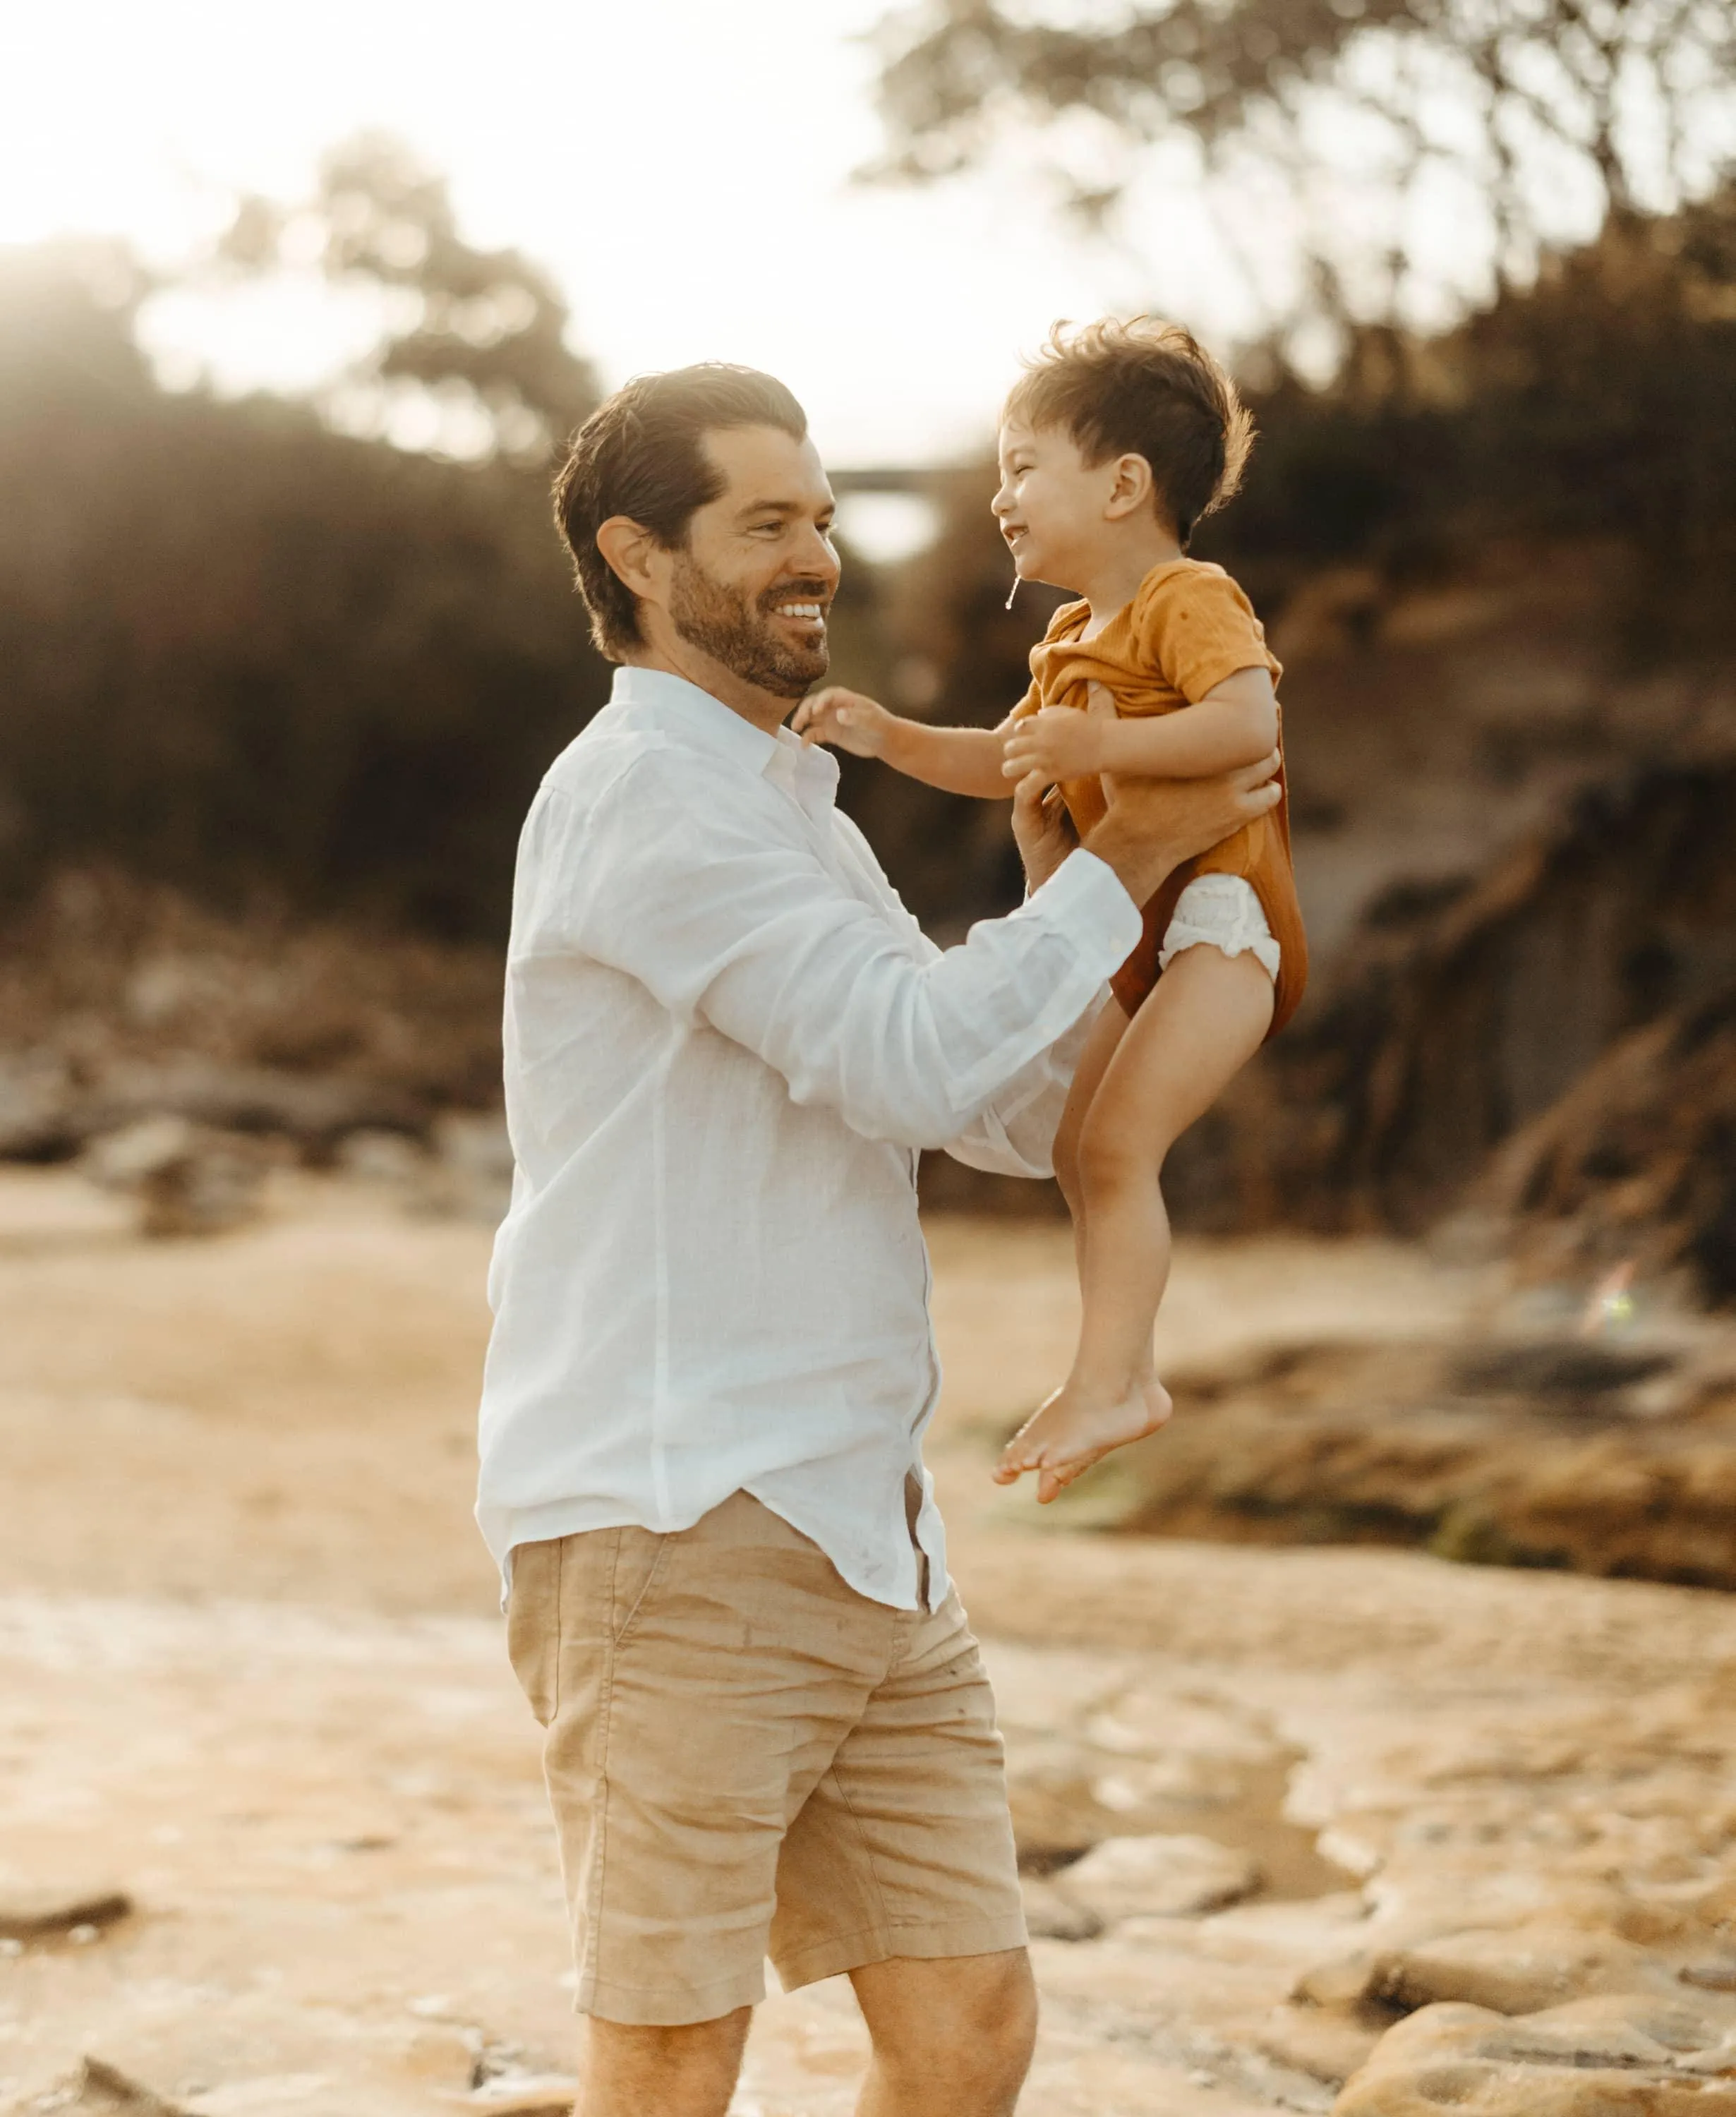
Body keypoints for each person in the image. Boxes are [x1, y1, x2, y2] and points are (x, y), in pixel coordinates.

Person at [476, 360, 1282, 2117]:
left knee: (969, 2036)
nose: (817, 557)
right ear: (634, 553)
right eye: (765, 523)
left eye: (824, 518)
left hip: (864, 1534)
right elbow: (912, 1047)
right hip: (675, 1519)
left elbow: (974, 1105)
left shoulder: (792, 808)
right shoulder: (645, 799)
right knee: (675, 2062)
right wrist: (1124, 862)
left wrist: (1170, 980)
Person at [792, 318, 1308, 1506]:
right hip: (1147, 935)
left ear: (1125, 483)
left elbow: (1248, 730)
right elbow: (1007, 759)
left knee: (1120, 1146)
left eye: (1024, 466)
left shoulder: (1192, 596)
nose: (1000, 496)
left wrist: (1106, 742)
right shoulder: (1069, 640)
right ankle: (1113, 1374)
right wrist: (890, 737)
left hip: (1223, 920)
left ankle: (1116, 1381)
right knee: (1082, 1150)